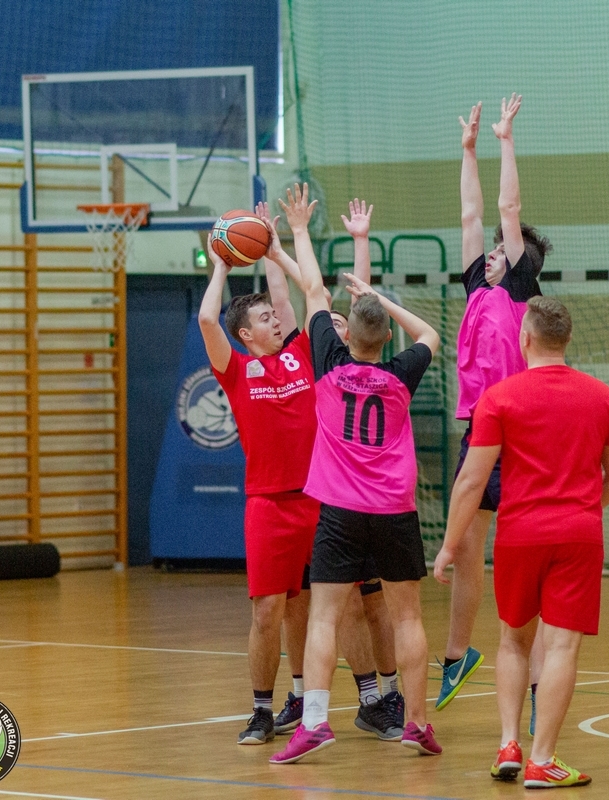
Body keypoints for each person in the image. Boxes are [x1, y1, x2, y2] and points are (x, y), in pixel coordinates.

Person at [270, 201, 443, 764]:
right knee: (408, 617)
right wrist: (378, 299)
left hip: (340, 511)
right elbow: (429, 332)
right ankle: (416, 723)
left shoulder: (329, 364)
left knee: (324, 616)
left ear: (351, 335)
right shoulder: (401, 374)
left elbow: (315, 290)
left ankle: (315, 722)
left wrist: (298, 230)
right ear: (387, 335)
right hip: (394, 511)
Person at [435, 296, 609, 788]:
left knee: (512, 641)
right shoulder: (602, 396)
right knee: (561, 647)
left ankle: (508, 744)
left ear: (524, 339)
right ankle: (543, 759)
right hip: (578, 535)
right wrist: (585, 509)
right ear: (567, 339)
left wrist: (450, 545)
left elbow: (471, 482)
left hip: (518, 534)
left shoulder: (498, 398)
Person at [437, 93, 554, 715]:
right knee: (464, 550)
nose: (490, 251)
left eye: (502, 249)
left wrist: (505, 141)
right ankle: (459, 654)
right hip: (480, 430)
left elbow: (507, 209)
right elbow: (471, 214)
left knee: (523, 559)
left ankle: (535, 685)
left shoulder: (519, 288)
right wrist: (468, 150)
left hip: (522, 435)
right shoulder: (476, 288)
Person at [198, 193, 321, 746]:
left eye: (275, 316)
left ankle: (305, 696)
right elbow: (208, 317)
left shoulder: (301, 354)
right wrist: (221, 264)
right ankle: (261, 710)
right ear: (245, 334)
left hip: (316, 498)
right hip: (269, 504)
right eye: (265, 318)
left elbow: (303, 294)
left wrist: (275, 249)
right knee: (267, 611)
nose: (274, 319)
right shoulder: (237, 369)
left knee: (306, 607)